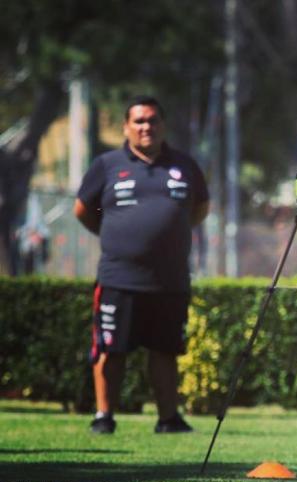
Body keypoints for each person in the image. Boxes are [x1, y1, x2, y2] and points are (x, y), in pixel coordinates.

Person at [74, 95, 209, 434]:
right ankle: (104, 416)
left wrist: (167, 233)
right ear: (126, 127)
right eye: (139, 121)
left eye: (152, 120)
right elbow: (84, 210)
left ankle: (168, 419)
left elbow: (200, 209)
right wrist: (116, 235)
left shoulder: (184, 165)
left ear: (162, 126)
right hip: (119, 278)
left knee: (165, 350)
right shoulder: (106, 165)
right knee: (111, 349)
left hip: (170, 280)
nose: (146, 127)